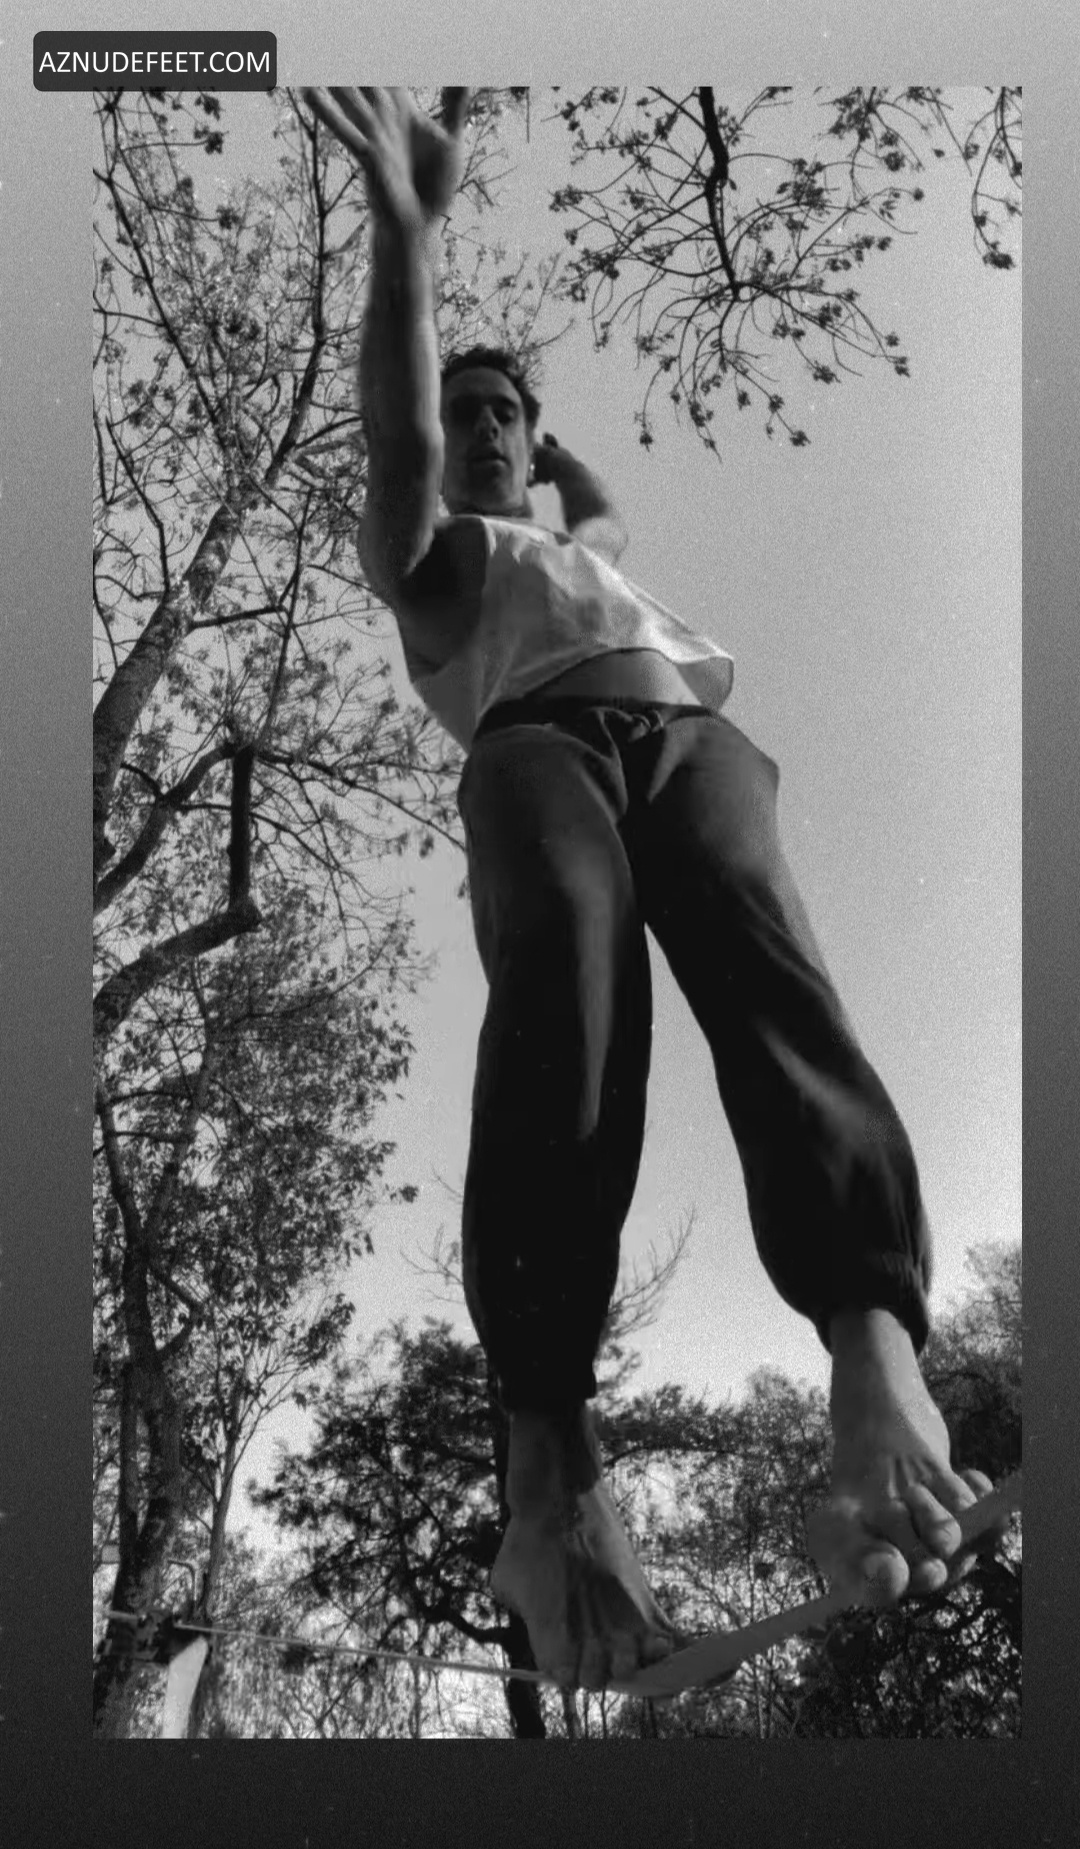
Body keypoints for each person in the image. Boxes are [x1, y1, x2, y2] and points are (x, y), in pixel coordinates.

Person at [303, 86, 999, 1691]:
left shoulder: (589, 552)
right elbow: (404, 448)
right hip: (538, 748)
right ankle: (547, 1460)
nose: (487, 428)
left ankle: (872, 1346)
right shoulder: (438, 567)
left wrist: (547, 431)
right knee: (571, 968)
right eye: (471, 411)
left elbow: (595, 499)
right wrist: (409, 242)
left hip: (690, 738)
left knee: (774, 969)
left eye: (507, 415)